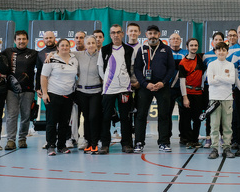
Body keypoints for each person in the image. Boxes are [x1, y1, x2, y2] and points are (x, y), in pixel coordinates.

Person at [133, 25, 176, 153]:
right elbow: (137, 69)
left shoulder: (166, 49)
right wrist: (145, 84)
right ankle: (139, 142)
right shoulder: (141, 49)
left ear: (159, 34)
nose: (152, 36)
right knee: (141, 115)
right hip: (146, 86)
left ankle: (164, 142)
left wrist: (163, 83)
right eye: (150, 33)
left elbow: (171, 69)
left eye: (155, 33)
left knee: (164, 115)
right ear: (146, 34)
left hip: (162, 87)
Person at [98, 24, 135, 154]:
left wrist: (127, 82)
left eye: (118, 32)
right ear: (110, 34)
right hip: (108, 90)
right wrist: (109, 82)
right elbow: (101, 69)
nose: (116, 35)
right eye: (113, 32)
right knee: (106, 117)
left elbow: (131, 68)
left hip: (124, 89)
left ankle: (126, 144)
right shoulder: (104, 50)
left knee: (125, 117)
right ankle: (105, 144)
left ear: (123, 34)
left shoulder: (129, 50)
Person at [1, 30, 37, 150]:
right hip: (11, 90)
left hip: (28, 90)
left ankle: (22, 139)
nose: (21, 41)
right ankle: (10, 140)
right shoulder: (7, 52)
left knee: (26, 116)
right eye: (19, 39)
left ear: (27, 40)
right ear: (15, 40)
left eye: (24, 39)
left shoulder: (34, 53)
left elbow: (46, 59)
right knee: (11, 115)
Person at [41, 38, 78, 155]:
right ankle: (50, 145)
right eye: (62, 45)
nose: (65, 47)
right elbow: (43, 77)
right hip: (53, 94)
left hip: (68, 95)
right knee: (51, 122)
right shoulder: (51, 59)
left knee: (64, 122)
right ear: (57, 47)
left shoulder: (74, 59)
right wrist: (45, 93)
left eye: (67, 45)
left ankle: (61, 145)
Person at [205, 42, 237, 159]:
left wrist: (217, 77)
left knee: (227, 125)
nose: (221, 52)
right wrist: (224, 79)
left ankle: (226, 147)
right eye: (219, 50)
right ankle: (214, 148)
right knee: (214, 124)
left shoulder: (230, 65)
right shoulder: (211, 65)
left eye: (224, 50)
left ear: (227, 52)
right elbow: (210, 82)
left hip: (227, 98)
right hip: (214, 98)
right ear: (215, 52)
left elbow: (232, 80)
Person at [74, 35, 102, 154]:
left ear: (96, 44)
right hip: (81, 92)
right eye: (88, 43)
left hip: (96, 92)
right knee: (86, 118)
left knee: (93, 117)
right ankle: (88, 142)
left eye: (93, 43)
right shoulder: (78, 55)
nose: (91, 45)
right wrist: (50, 55)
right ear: (85, 45)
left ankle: (95, 143)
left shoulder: (101, 56)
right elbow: (61, 52)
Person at [179, 38, 206, 149]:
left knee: (197, 119)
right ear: (187, 47)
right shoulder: (183, 63)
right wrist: (185, 97)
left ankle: (195, 140)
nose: (194, 47)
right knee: (185, 119)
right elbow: (182, 81)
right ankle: (188, 140)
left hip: (199, 94)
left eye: (195, 45)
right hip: (188, 93)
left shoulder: (201, 58)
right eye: (191, 45)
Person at [167, 33, 188, 145]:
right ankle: (167, 137)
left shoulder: (186, 53)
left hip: (182, 88)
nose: (175, 40)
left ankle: (184, 136)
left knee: (184, 113)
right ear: (169, 41)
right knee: (167, 113)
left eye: (177, 38)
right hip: (169, 88)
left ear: (181, 41)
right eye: (173, 38)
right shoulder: (165, 52)